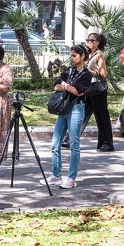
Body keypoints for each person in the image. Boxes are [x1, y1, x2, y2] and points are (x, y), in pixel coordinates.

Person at [40, 44, 92, 189]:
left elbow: (77, 91)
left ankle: (71, 178)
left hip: (76, 108)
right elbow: (56, 86)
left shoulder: (87, 74)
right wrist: (66, 85)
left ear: (82, 57)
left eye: (74, 55)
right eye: (71, 55)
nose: (72, 58)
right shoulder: (69, 71)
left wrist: (67, 86)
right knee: (55, 143)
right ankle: (56, 175)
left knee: (74, 144)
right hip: (63, 109)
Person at [62, 33, 115, 152]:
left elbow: (103, 74)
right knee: (80, 116)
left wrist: (89, 71)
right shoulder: (86, 54)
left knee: (102, 117)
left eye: (92, 40)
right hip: (87, 89)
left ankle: (107, 144)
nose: (89, 42)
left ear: (97, 42)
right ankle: (70, 140)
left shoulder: (99, 55)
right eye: (88, 40)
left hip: (97, 90)